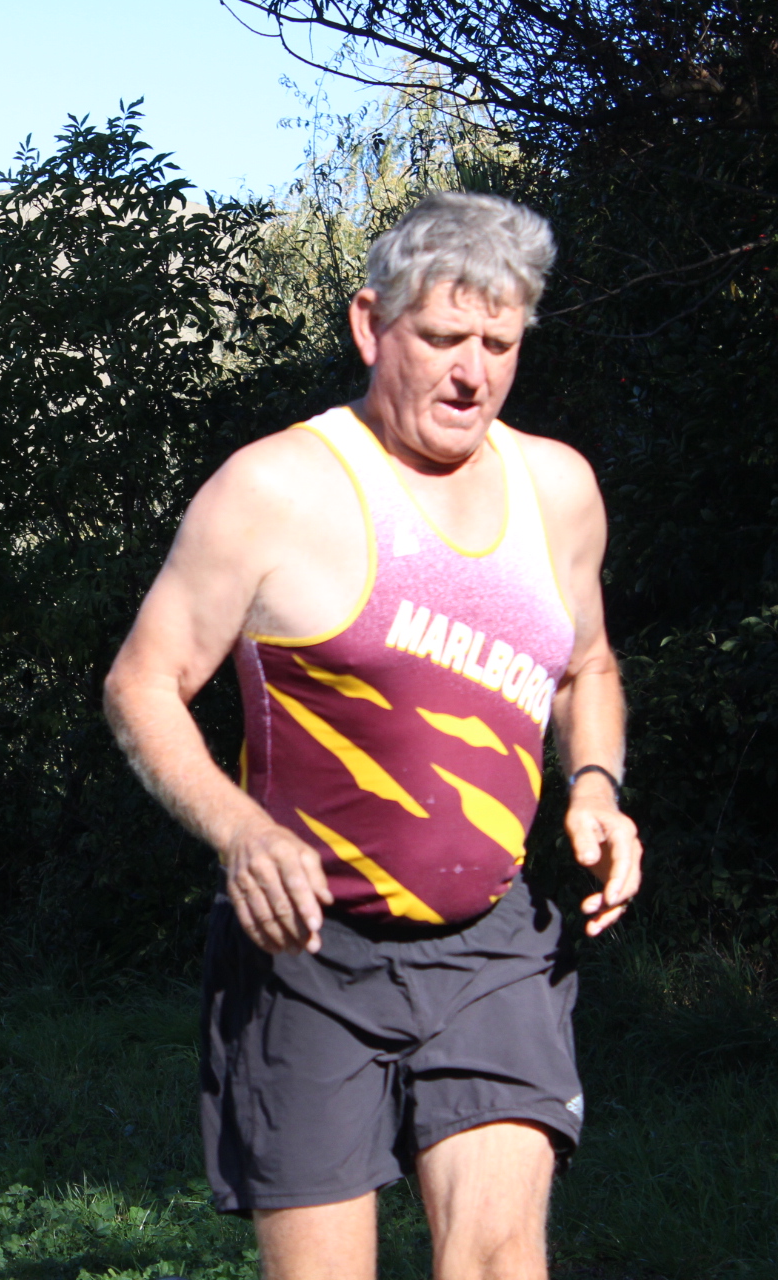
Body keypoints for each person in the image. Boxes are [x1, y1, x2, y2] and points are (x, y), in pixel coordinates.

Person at [104, 192, 642, 1280]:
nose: (472, 374)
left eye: (500, 345)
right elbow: (143, 682)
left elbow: (586, 666)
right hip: (309, 951)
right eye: (443, 338)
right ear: (370, 325)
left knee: (500, 1261)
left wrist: (593, 784)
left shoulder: (558, 489)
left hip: (494, 944)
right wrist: (243, 833)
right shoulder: (276, 487)